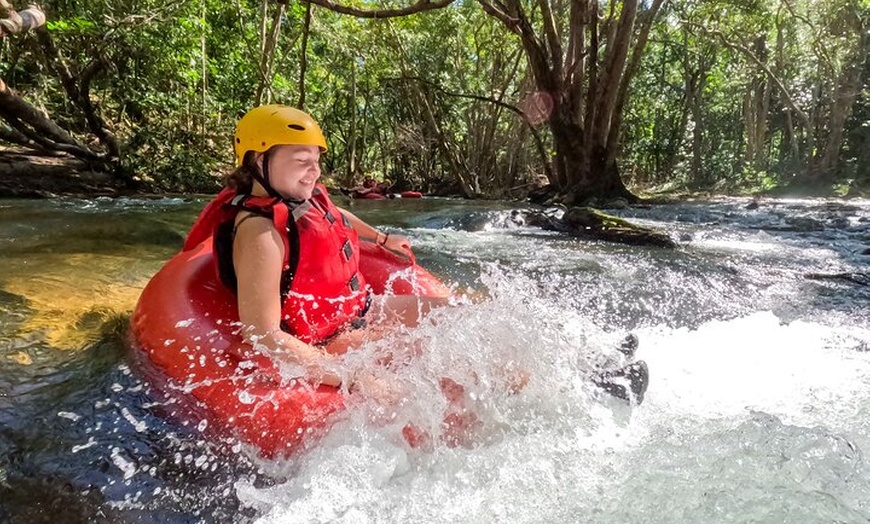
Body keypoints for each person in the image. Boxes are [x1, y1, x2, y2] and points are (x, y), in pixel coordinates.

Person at [185, 105, 446, 394]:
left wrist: (380, 237)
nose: (315, 170)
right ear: (260, 161)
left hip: (358, 308)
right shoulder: (259, 233)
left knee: (453, 315)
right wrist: (352, 377)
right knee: (434, 362)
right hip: (327, 337)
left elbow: (338, 215)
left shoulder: (303, 201)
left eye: (316, 159)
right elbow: (263, 334)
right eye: (301, 160)